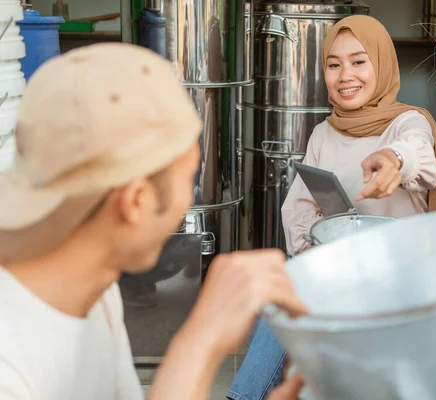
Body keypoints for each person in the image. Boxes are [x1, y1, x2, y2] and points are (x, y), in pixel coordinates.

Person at [0, 43, 307, 400]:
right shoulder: (11, 361)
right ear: (136, 201)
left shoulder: (94, 293)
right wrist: (200, 340)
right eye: (189, 179)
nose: (186, 202)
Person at [227, 15, 436, 400]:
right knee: (281, 299)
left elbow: (418, 154)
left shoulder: (407, 122)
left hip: (401, 282)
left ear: (380, 64)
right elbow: (298, 210)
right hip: (340, 278)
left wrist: (393, 160)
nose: (345, 75)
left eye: (358, 61)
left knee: (291, 307)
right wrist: (321, 251)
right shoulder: (324, 132)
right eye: (333, 65)